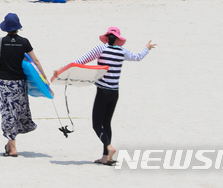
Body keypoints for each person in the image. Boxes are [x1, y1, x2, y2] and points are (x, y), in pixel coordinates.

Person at [54, 27, 156, 166]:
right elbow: (137, 57)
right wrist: (147, 48)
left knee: (96, 124)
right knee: (106, 123)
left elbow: (81, 61)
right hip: (115, 93)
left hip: (103, 92)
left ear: (107, 37)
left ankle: (109, 147)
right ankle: (106, 157)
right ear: (118, 40)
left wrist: (61, 69)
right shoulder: (122, 51)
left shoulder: (101, 49)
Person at [0, 13, 47, 157]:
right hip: (19, 84)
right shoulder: (24, 42)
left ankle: (12, 148)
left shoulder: (0, 42)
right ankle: (10, 146)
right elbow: (36, 61)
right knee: (15, 114)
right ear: (17, 27)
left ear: (5, 28)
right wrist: (43, 77)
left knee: (7, 114)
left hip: (3, 84)